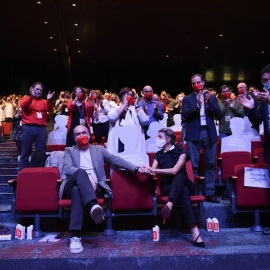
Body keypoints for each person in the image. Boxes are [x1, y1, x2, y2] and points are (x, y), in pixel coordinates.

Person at [61, 125, 147, 253]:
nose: (81, 136)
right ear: (74, 138)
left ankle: (75, 236)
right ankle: (93, 206)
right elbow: (68, 168)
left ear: (89, 135)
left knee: (77, 192)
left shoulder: (99, 149)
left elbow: (115, 159)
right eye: (78, 134)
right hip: (72, 183)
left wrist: (136, 168)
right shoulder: (69, 150)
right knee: (79, 175)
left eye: (84, 132)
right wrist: (87, 175)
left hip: (94, 188)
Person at [145, 128, 205, 247]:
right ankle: (193, 228)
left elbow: (174, 171)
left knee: (180, 175)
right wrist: (146, 169)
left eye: (160, 137)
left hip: (185, 182)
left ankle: (170, 203)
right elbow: (152, 171)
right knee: (183, 190)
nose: (157, 139)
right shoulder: (158, 155)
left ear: (168, 139)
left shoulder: (181, 152)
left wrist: (155, 170)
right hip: (168, 187)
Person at [237, 64, 270, 234]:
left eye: (267, 81)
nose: (265, 85)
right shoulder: (264, 100)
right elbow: (258, 121)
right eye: (263, 81)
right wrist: (250, 109)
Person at [182, 74, 222, 203]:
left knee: (210, 164)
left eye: (198, 82)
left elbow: (219, 114)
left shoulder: (211, 97)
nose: (196, 85)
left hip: (209, 132)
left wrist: (210, 104)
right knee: (192, 164)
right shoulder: (187, 99)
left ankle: (209, 193)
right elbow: (184, 115)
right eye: (193, 83)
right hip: (194, 133)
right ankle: (193, 192)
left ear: (203, 83)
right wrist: (197, 105)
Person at [18, 82, 54, 172]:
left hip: (41, 129)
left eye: (41, 90)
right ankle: (21, 175)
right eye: (37, 89)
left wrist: (49, 100)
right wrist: (31, 96)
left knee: (40, 153)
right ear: (32, 89)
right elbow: (23, 105)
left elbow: (50, 109)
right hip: (28, 128)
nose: (39, 91)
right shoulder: (25, 98)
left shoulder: (44, 102)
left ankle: (39, 173)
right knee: (25, 152)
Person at [107, 87, 149, 154]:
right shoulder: (115, 107)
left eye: (131, 95)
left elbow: (145, 120)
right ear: (121, 96)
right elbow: (111, 117)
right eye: (127, 94)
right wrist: (124, 105)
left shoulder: (135, 109)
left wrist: (136, 105)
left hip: (133, 142)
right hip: (119, 142)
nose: (129, 96)